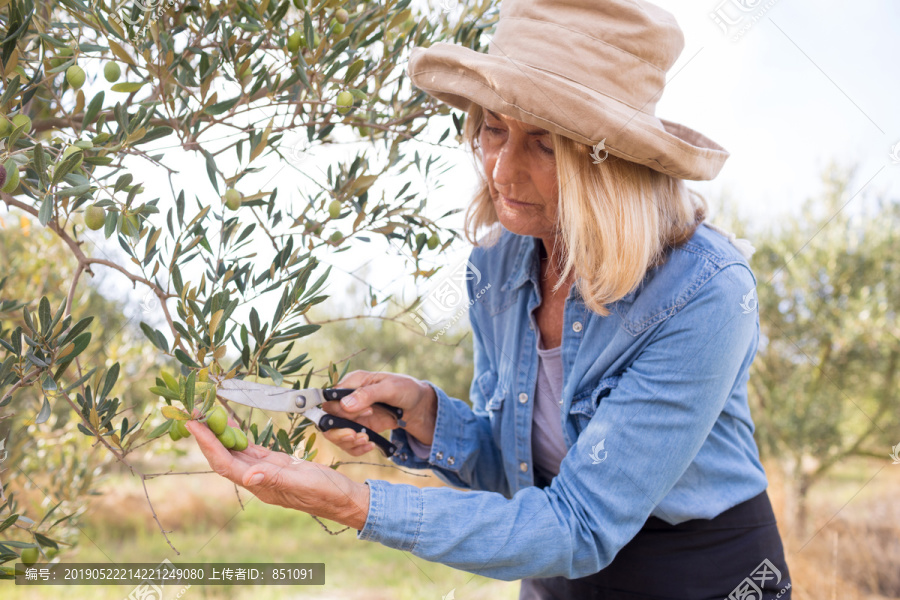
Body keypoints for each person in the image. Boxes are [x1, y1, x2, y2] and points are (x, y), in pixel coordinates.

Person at [188, 0, 793, 597]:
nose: (502, 172)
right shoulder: (500, 263)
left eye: (545, 145)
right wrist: (424, 414)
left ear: (613, 165)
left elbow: (580, 525)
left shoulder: (702, 291)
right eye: (493, 129)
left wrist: (357, 503)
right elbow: (514, 473)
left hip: (702, 579)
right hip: (556, 580)